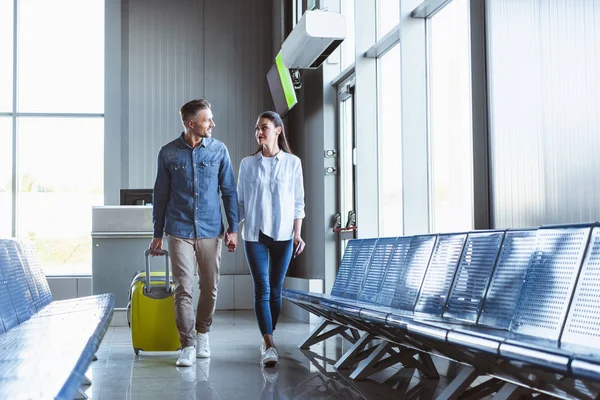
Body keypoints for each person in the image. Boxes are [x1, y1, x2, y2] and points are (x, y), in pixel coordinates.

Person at [150, 99, 239, 367]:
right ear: (191, 123)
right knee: (183, 289)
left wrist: (233, 228)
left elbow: (229, 192)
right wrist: (157, 233)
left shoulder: (219, 150)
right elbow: (160, 195)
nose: (212, 123)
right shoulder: (168, 154)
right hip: (179, 230)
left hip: (211, 230)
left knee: (210, 288)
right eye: (207, 119)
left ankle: (203, 333)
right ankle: (187, 344)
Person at [237, 111, 306, 367]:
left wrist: (298, 233)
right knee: (262, 289)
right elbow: (240, 203)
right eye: (257, 128)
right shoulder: (247, 164)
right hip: (254, 234)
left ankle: (268, 336)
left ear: (278, 130)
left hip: (284, 235)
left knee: (275, 292)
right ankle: (269, 344)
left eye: (264, 127)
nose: (259, 132)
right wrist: (232, 230)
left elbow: (298, 202)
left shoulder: (293, 163)